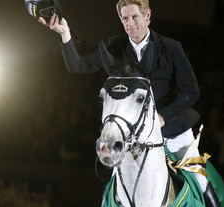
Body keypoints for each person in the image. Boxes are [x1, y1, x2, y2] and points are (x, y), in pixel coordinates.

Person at [39, 0, 209, 194]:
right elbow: (78, 66)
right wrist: (64, 34)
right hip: (135, 136)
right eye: (125, 18)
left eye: (135, 17)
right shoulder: (116, 46)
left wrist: (163, 117)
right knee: (114, 191)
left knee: (200, 183)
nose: (130, 23)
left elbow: (191, 91)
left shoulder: (170, 47)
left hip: (173, 131)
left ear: (147, 16)